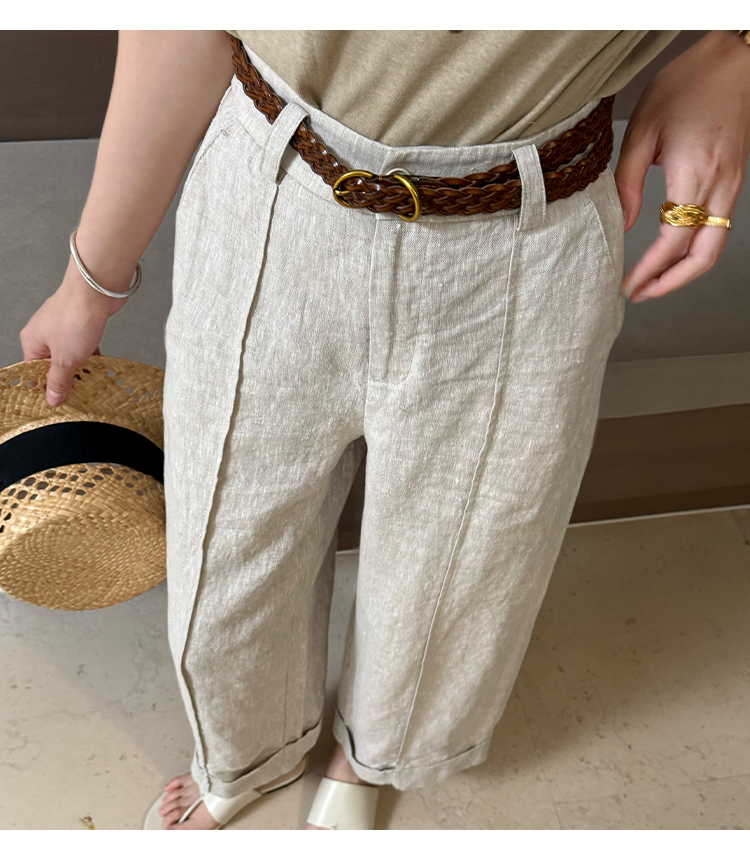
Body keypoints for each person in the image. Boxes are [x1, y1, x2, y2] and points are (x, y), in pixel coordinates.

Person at [19, 30, 750, 830]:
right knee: (228, 537)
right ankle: (246, 749)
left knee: (466, 560)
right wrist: (90, 279)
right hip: (278, 184)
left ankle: (376, 758)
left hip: (528, 223)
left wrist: (734, 53)